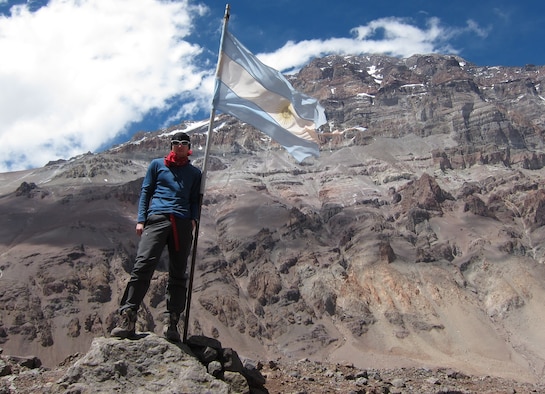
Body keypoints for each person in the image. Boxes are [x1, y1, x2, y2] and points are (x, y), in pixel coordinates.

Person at [111, 132, 201, 342]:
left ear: (189, 147)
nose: (179, 146)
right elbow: (146, 191)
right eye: (176, 143)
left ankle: (172, 323)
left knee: (178, 273)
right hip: (158, 218)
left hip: (182, 222)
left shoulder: (195, 173)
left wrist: (194, 219)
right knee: (143, 264)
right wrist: (141, 219)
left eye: (184, 143)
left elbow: (195, 199)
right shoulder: (157, 165)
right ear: (171, 145)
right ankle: (128, 316)